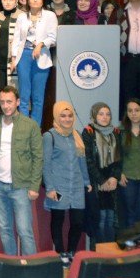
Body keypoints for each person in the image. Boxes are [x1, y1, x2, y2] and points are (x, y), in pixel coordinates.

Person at [0, 85, 42, 256]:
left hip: (20, 187)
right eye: (3, 102)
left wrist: (34, 186)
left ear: (18, 102)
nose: (6, 106)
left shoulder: (31, 126)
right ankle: (13, 266)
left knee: (25, 231)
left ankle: (31, 270)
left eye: (9, 102)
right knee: (5, 230)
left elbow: (38, 157)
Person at [44, 101, 91, 265]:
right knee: (58, 220)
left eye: (70, 115)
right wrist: (49, 188)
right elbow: (46, 164)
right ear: (57, 116)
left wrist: (87, 181)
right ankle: (60, 252)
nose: (67, 119)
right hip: (58, 186)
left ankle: (71, 251)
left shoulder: (76, 134)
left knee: (78, 221)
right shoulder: (49, 136)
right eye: (63, 116)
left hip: (77, 186)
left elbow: (82, 161)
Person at [10, 0, 58, 126]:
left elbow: (53, 37)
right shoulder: (22, 16)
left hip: (41, 56)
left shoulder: (50, 15)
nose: (34, 0)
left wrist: (41, 44)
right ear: (27, 1)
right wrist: (14, 58)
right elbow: (17, 39)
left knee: (38, 96)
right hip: (24, 56)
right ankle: (24, 126)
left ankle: (35, 128)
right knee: (24, 95)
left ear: (43, 0)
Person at [82, 102, 122, 244]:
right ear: (94, 115)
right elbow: (88, 161)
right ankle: (97, 257)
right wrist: (102, 181)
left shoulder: (116, 132)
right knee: (99, 219)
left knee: (111, 220)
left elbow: (119, 159)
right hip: (96, 183)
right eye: (101, 114)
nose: (105, 117)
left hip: (111, 184)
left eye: (108, 114)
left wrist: (113, 178)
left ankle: (110, 255)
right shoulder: (88, 132)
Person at [0, 0, 19, 94]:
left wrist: (15, 59)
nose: (7, 2)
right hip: (0, 61)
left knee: (13, 91)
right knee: (1, 91)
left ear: (16, 1)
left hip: (13, 61)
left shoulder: (21, 16)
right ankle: (1, 111)